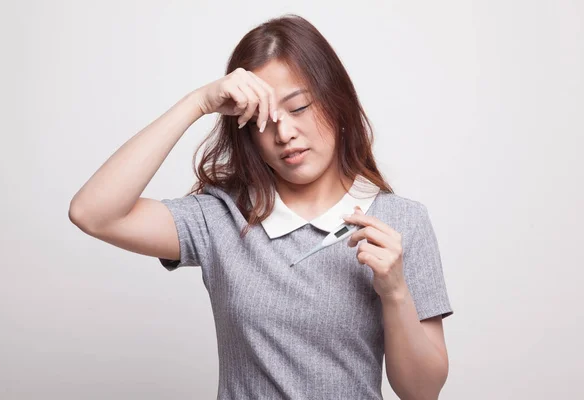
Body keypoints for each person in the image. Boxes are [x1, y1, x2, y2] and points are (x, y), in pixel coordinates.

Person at [69, 13, 453, 400]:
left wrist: (395, 292)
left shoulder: (402, 221)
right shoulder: (220, 217)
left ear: (337, 104)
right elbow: (93, 213)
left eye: (299, 107)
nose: (284, 133)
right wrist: (197, 102)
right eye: (263, 120)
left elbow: (421, 392)